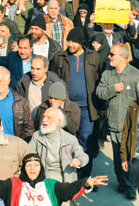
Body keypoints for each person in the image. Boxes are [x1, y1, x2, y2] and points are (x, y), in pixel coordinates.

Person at [49, 27, 101, 178]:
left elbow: (98, 79)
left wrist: (101, 107)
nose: (70, 44)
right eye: (68, 41)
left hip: (87, 108)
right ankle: (68, 176)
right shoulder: (60, 57)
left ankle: (85, 177)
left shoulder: (92, 56)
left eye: (74, 41)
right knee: (67, 139)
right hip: (66, 108)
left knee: (86, 140)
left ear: (81, 42)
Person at [95, 44, 139, 194]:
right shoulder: (107, 74)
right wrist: (113, 89)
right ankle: (122, 182)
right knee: (118, 158)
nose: (109, 57)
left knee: (128, 158)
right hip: (113, 124)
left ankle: (131, 186)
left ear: (122, 57)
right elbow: (99, 92)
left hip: (130, 126)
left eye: (112, 54)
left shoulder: (137, 76)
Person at [0, 154, 108, 206]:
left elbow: (68, 190)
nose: (32, 169)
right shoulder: (13, 184)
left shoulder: (50, 185)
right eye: (29, 165)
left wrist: (86, 182)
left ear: (41, 168)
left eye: (36, 165)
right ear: (24, 168)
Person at [30, 107, 89, 184]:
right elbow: (29, 154)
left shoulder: (70, 139)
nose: (44, 120)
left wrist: (79, 161)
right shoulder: (37, 136)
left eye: (49, 117)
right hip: (42, 176)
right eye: (44, 116)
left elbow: (83, 156)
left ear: (58, 121)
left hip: (63, 178)